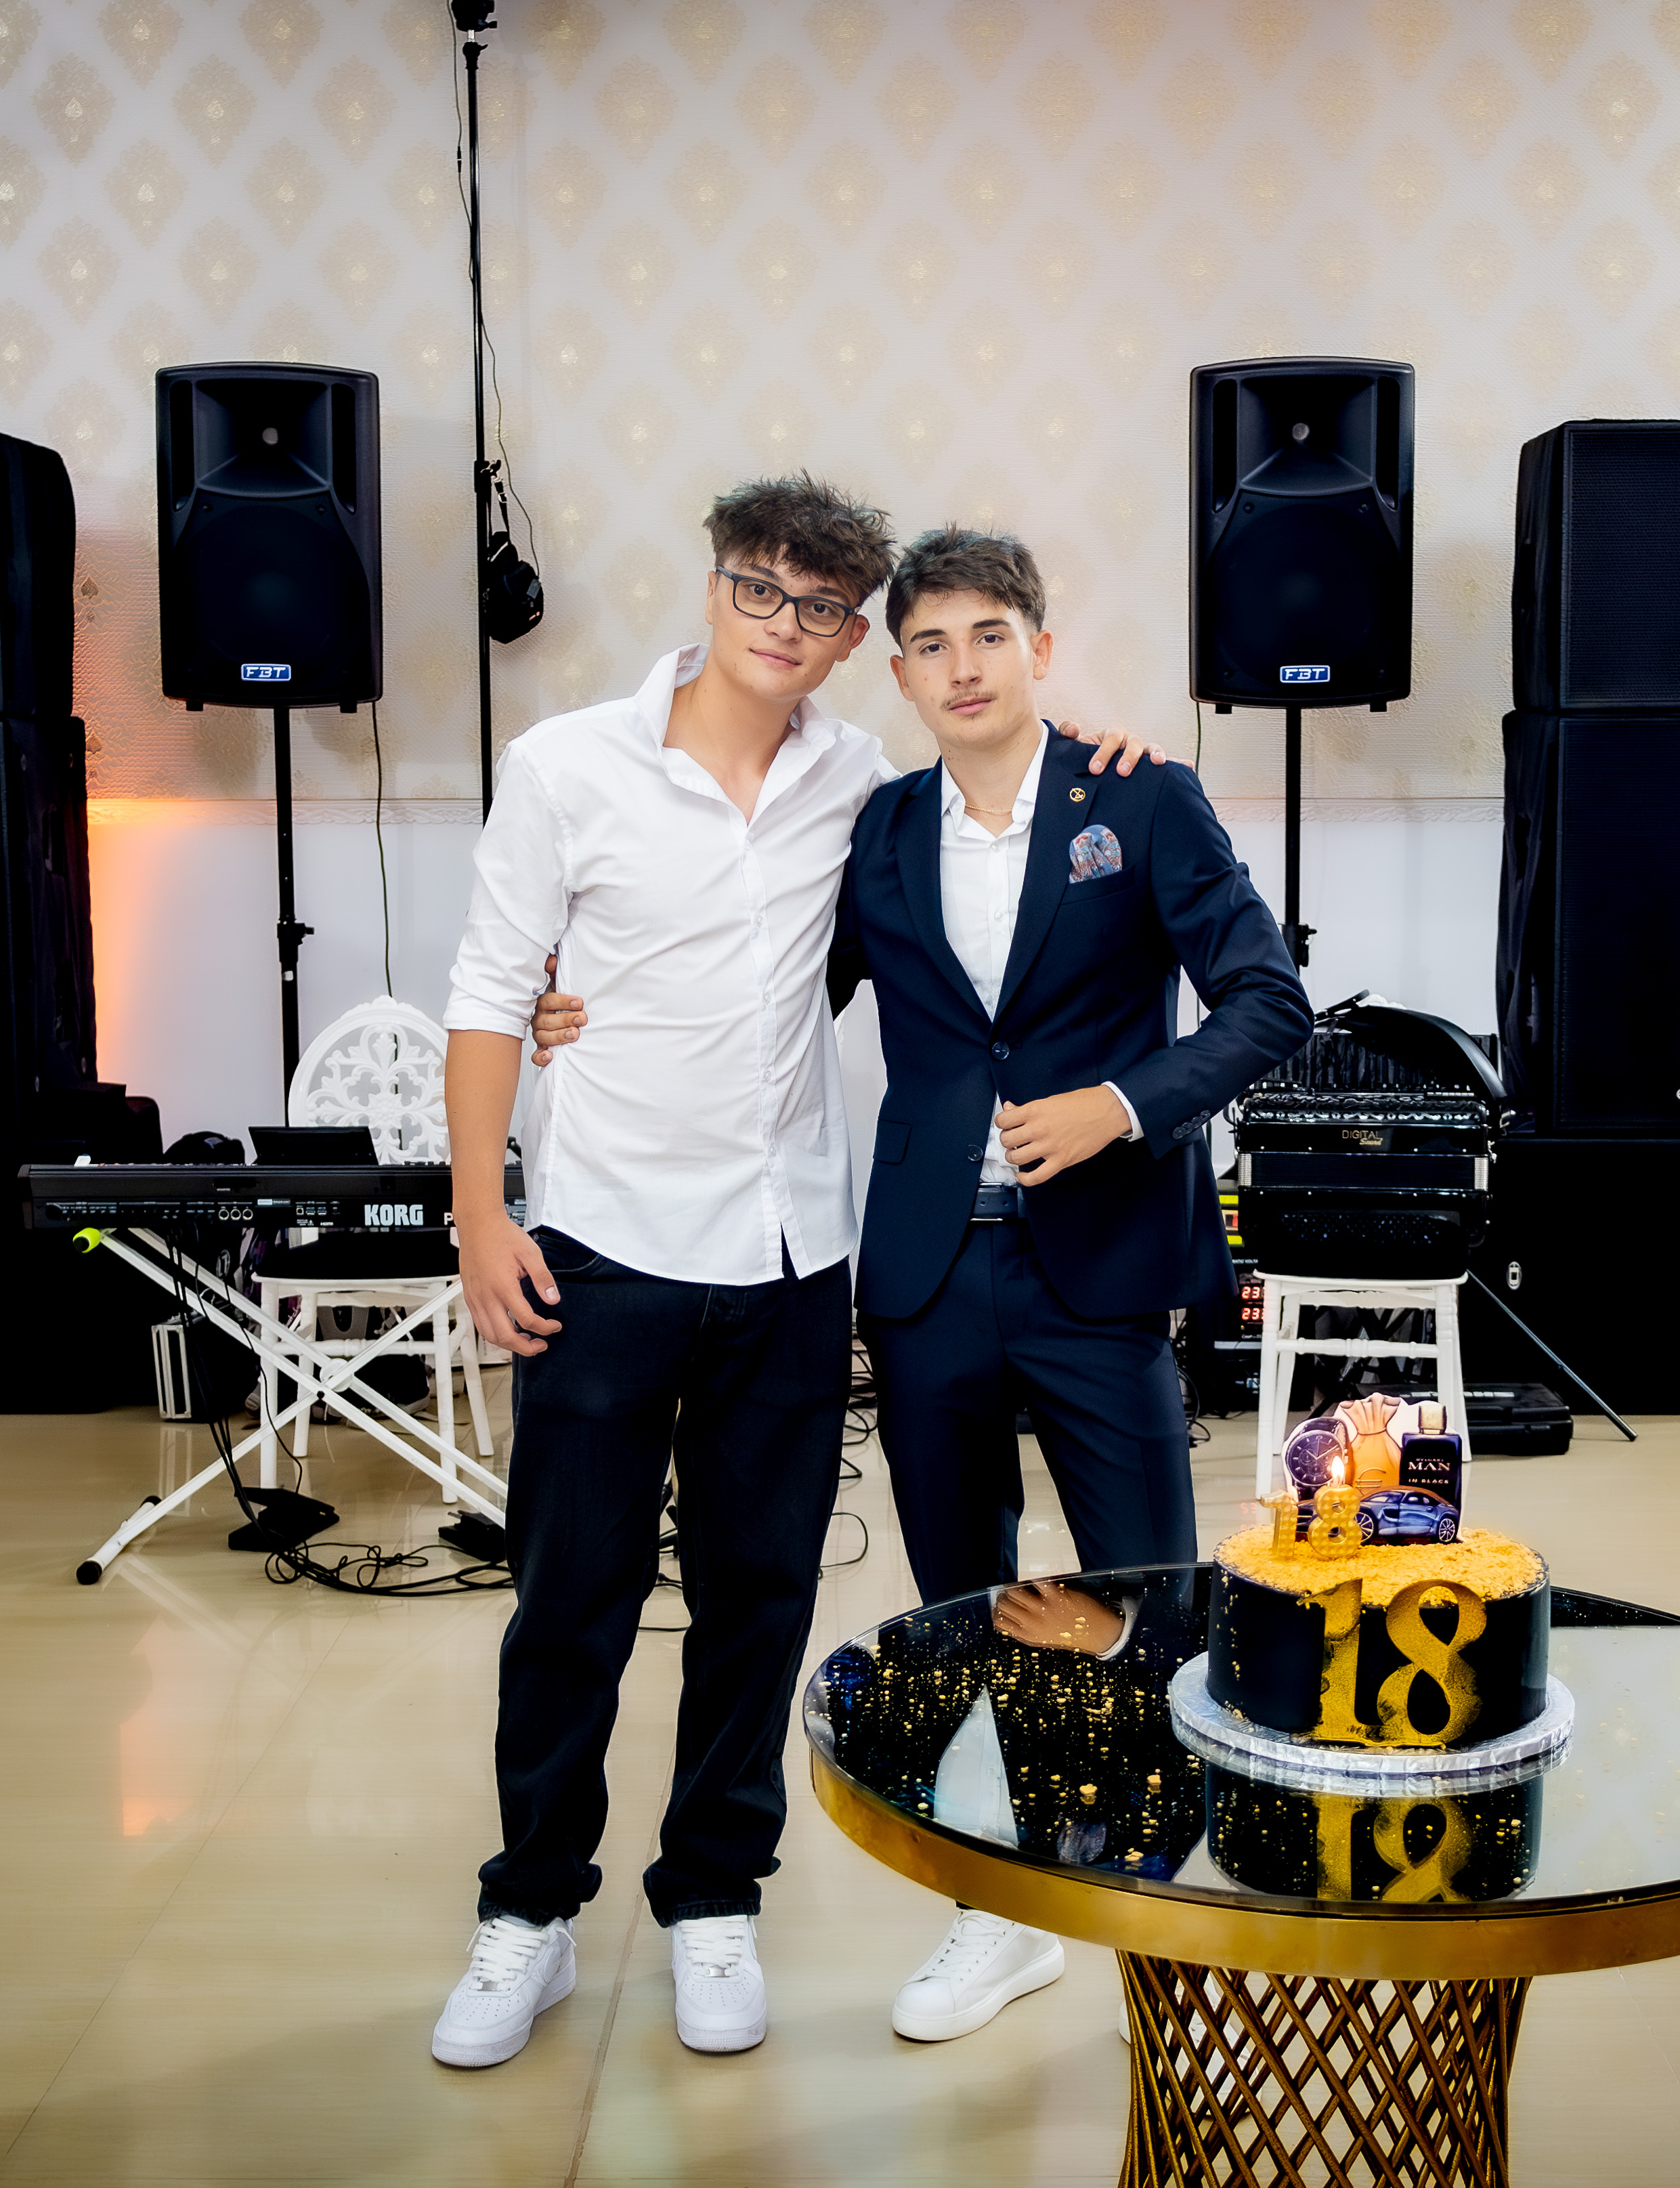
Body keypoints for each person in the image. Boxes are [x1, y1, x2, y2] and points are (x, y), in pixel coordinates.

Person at [532, 525, 1307, 2042]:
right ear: (897, 674)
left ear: (1040, 648)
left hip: (1097, 1269)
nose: (962, 668)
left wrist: (1122, 1105)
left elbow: (1266, 1000)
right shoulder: (875, 827)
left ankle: (1173, 1920)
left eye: (988, 636)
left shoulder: (1141, 798)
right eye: (931, 645)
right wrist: (583, 1004)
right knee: (967, 1597)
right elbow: (755, 976)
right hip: (928, 1272)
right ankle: (1002, 1908)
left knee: (1144, 1595)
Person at [429, 477, 1161, 2070]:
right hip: (600, 1240)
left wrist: (1101, 755)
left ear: (847, 645)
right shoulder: (564, 766)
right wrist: (482, 1212)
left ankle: (713, 1898)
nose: (782, 625)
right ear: (712, 589)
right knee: (570, 1597)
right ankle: (529, 1908)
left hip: (788, 1257)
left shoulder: (862, 792)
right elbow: (489, 988)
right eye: (758, 590)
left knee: (758, 1597)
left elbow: (972, 860)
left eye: (819, 608)